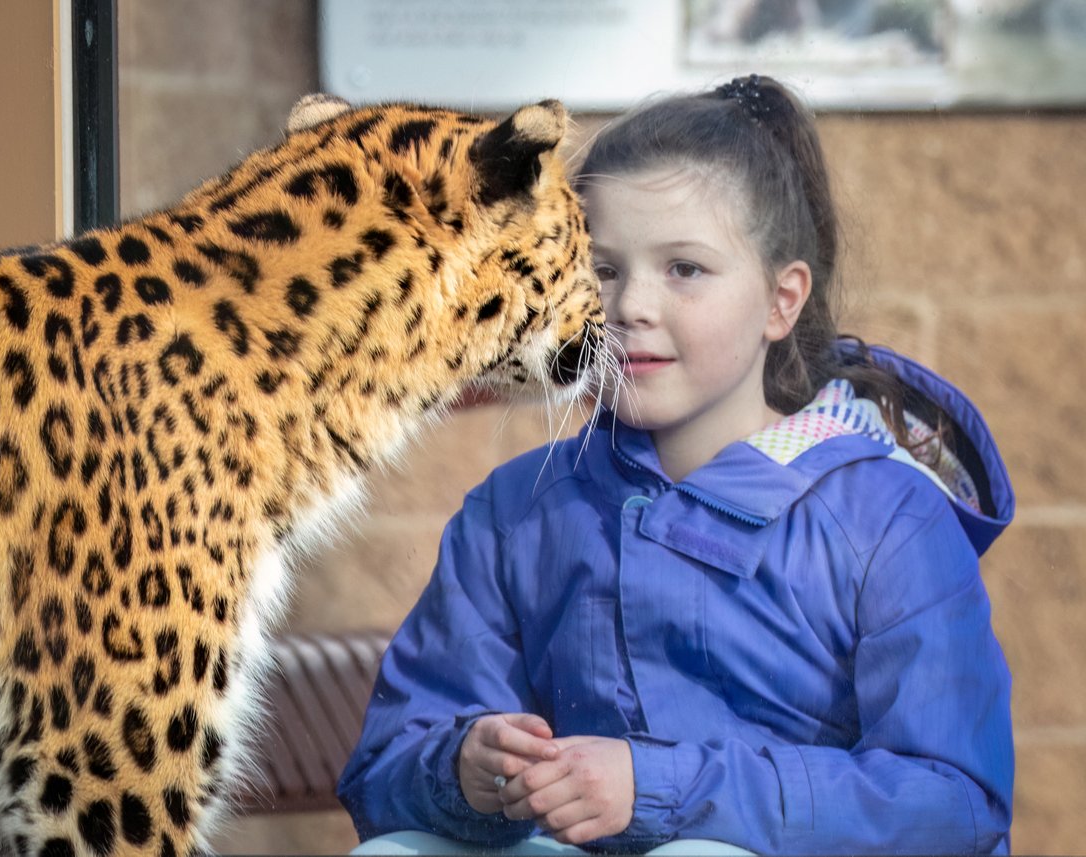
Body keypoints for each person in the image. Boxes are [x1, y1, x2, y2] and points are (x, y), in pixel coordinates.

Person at [336, 74, 1015, 855]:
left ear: (780, 301)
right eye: (602, 267)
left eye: (684, 268)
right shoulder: (518, 508)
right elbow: (386, 766)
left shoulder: (889, 516)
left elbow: (954, 802)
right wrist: (462, 771)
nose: (630, 307)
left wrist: (658, 788)